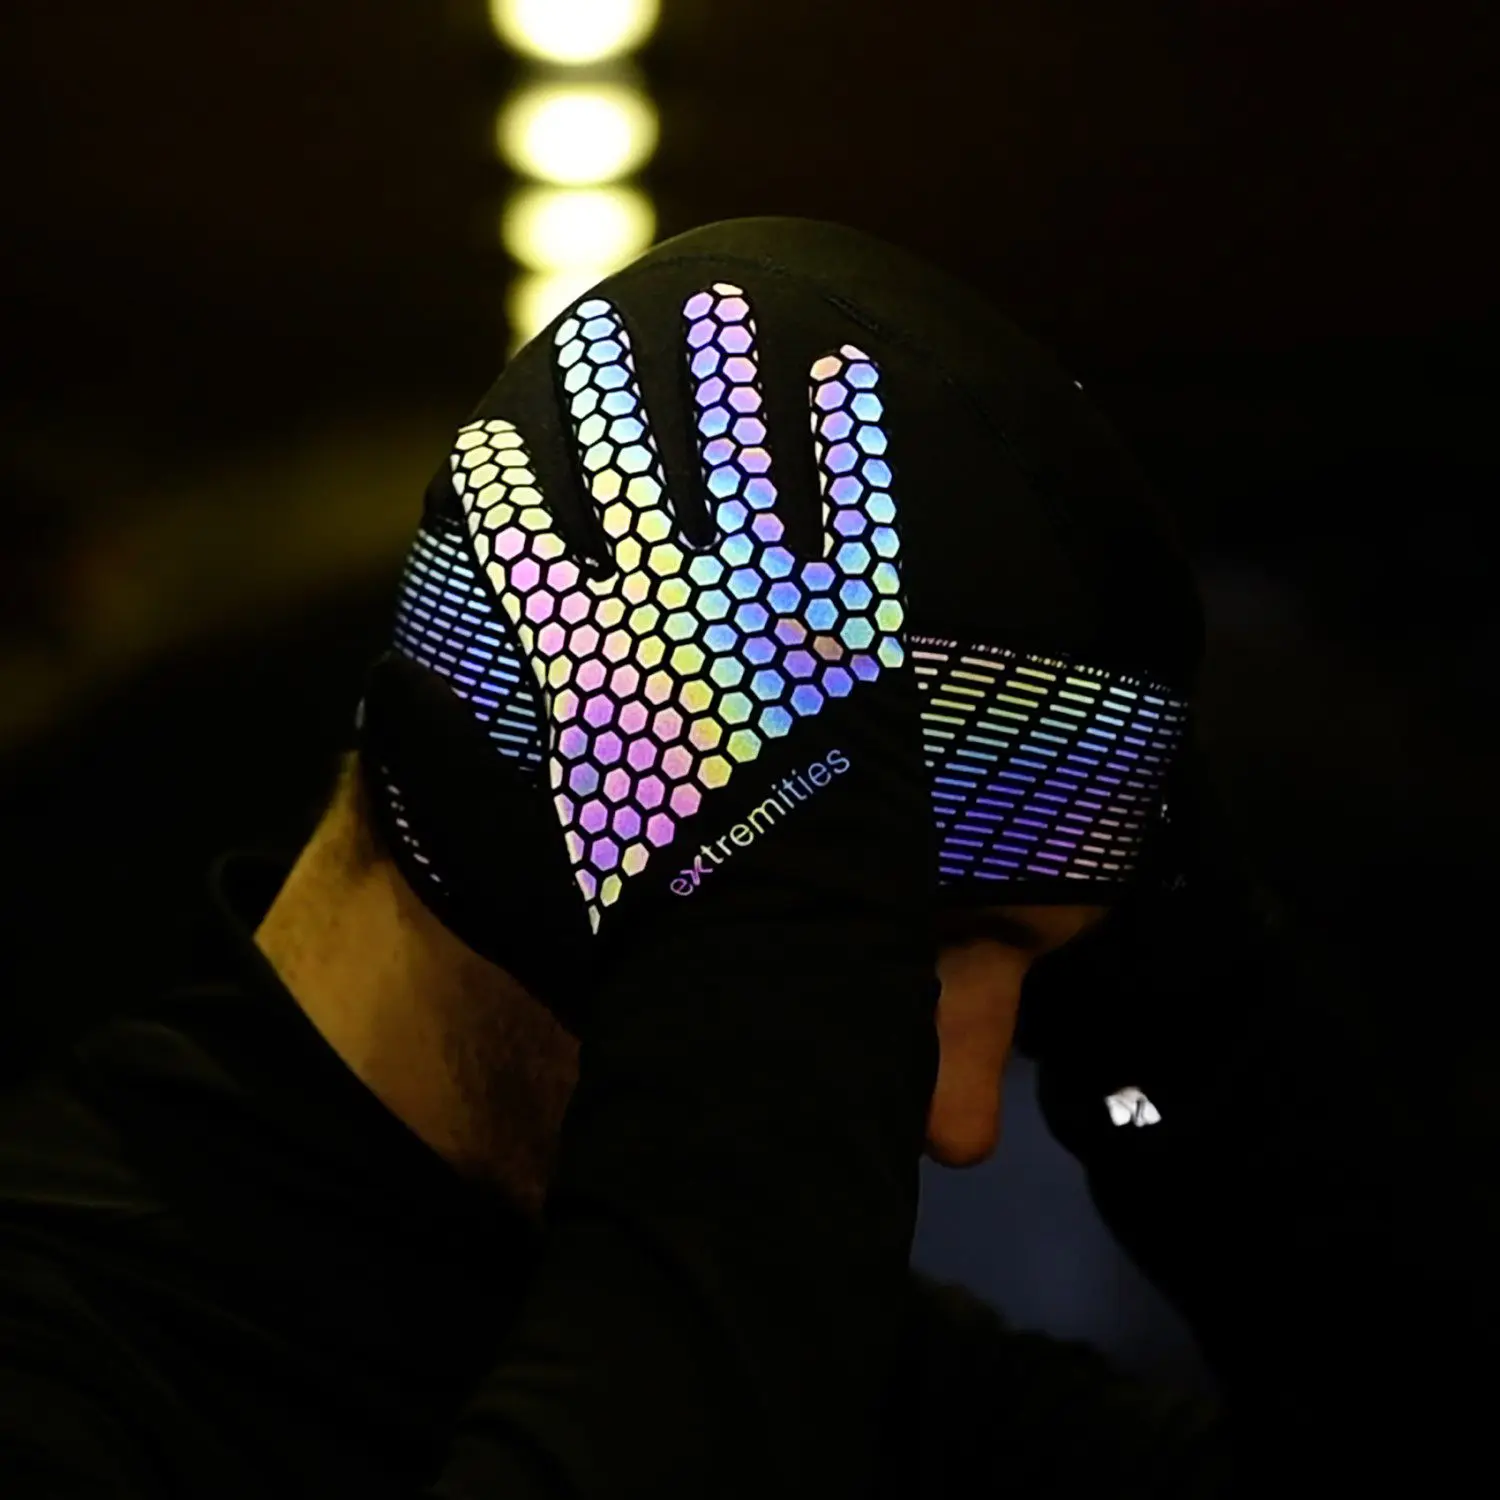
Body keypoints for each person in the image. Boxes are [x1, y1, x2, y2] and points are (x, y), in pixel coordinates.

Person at [0, 219, 1488, 1499]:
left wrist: (1210, 1019)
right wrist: (753, 1031)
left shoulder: (864, 1393)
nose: (964, 1117)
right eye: (899, 939)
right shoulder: (74, 1348)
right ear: (550, 822)